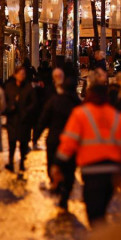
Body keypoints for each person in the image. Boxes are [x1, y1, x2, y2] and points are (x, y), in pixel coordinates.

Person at [53, 83, 121, 224]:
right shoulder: (117, 116)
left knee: (93, 213)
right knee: (102, 209)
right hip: (112, 172)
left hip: (90, 170)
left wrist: (58, 164)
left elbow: (68, 143)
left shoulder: (80, 114)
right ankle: (103, 238)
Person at [35, 70, 82, 211]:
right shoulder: (77, 104)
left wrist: (36, 136)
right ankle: (64, 193)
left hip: (55, 139)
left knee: (54, 163)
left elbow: (43, 119)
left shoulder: (55, 101)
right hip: (71, 141)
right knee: (69, 167)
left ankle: (57, 186)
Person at [3, 65, 36, 173]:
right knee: (11, 143)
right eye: (20, 73)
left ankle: (21, 163)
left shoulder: (28, 88)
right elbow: (4, 102)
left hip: (24, 120)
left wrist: (26, 111)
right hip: (12, 120)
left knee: (23, 143)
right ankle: (11, 162)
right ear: (15, 75)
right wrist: (9, 108)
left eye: (23, 74)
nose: (22, 76)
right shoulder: (9, 87)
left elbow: (33, 102)